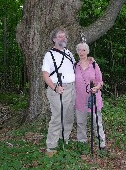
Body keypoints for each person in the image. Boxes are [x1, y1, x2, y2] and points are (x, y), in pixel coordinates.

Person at [42, 28, 75, 157]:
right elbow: (45, 75)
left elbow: (74, 68)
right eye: (60, 37)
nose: (63, 38)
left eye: (64, 36)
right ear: (54, 39)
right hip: (59, 90)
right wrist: (54, 87)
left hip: (72, 88)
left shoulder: (69, 53)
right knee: (57, 118)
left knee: (69, 116)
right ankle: (51, 147)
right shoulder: (49, 55)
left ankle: (64, 139)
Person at [75, 42, 106, 149]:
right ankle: (82, 143)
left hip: (93, 99)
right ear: (77, 52)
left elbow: (100, 82)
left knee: (97, 122)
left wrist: (96, 88)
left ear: (87, 51)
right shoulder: (75, 66)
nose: (81, 52)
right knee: (80, 123)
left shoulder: (93, 64)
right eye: (79, 50)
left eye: (84, 50)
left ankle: (101, 142)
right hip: (79, 100)